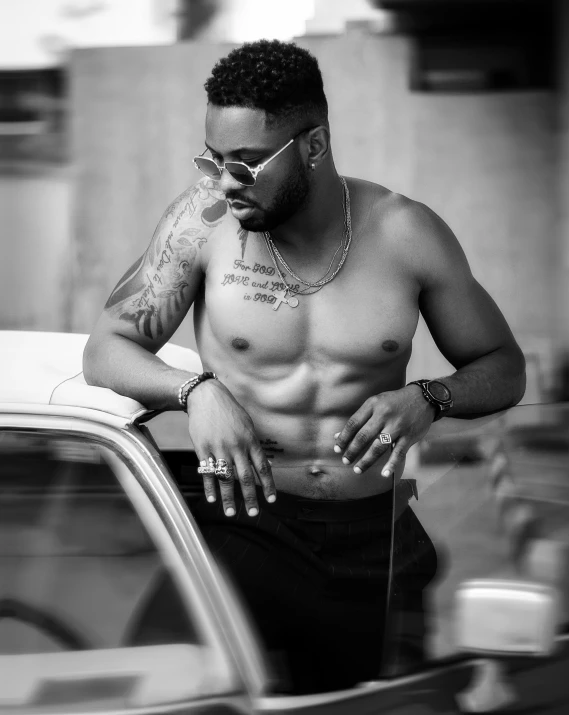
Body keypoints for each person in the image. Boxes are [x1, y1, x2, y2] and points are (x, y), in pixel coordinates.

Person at [84, 39, 526, 694]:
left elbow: (504, 366)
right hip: (241, 524)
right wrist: (196, 389)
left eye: (247, 163)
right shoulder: (199, 225)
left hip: (369, 540)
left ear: (314, 144)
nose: (224, 182)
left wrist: (431, 396)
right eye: (213, 159)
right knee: (163, 693)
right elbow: (105, 349)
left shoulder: (405, 233)